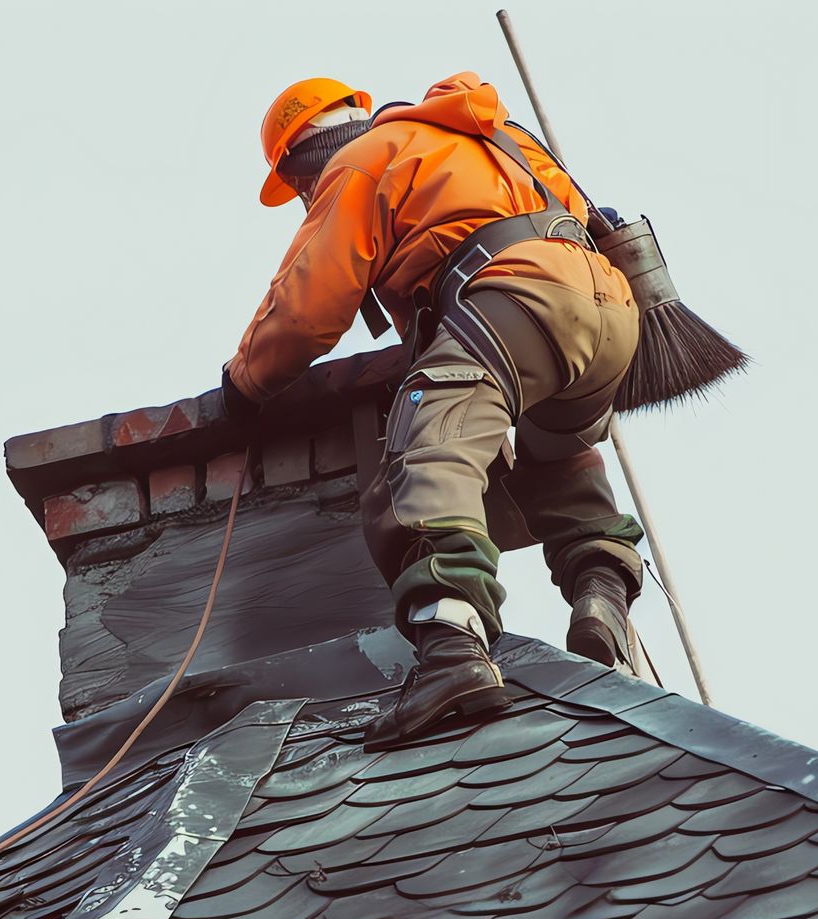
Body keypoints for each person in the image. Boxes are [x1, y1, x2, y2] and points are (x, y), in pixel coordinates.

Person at [221, 73, 646, 748]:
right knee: (555, 456)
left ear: (303, 155)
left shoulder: (363, 160)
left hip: (512, 299)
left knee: (424, 454)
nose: (304, 198)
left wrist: (244, 384)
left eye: (297, 187)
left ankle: (451, 649)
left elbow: (309, 305)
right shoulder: (483, 139)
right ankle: (601, 584)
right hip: (610, 316)